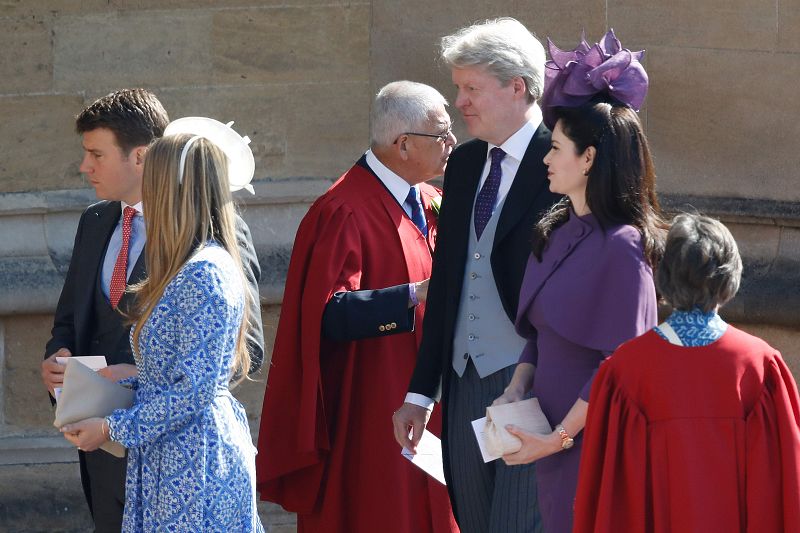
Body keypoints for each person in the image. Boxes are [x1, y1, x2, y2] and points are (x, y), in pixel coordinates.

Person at [40, 89, 264, 531]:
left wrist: (118, 422)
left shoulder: (207, 263)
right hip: (131, 456)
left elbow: (213, 375)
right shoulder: (96, 222)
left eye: (96, 154)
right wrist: (84, 370)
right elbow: (73, 320)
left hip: (187, 462)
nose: (85, 166)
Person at [256, 81, 458, 533]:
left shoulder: (431, 200)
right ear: (403, 144)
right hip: (373, 403)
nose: (452, 142)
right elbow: (328, 313)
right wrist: (414, 293)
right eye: (441, 133)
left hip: (431, 396)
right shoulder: (344, 209)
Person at [489, 30, 667, 533]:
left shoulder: (625, 246)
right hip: (552, 441)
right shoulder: (558, 229)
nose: (545, 158)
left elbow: (621, 363)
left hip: (598, 444)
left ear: (588, 158)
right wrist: (516, 389)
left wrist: (560, 438)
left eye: (556, 148)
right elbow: (542, 334)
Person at [392, 18, 561, 533]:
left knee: (518, 524)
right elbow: (448, 282)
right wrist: (420, 394)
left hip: (535, 382)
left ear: (517, 87)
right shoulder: (465, 164)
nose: (459, 102)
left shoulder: (563, 159)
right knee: (475, 522)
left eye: (471, 88)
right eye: (458, 87)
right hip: (463, 381)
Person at [573, 214, 800, 532]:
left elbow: (611, 502)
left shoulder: (625, 372)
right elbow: (783, 491)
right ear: (730, 277)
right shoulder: (759, 368)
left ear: (664, 276)